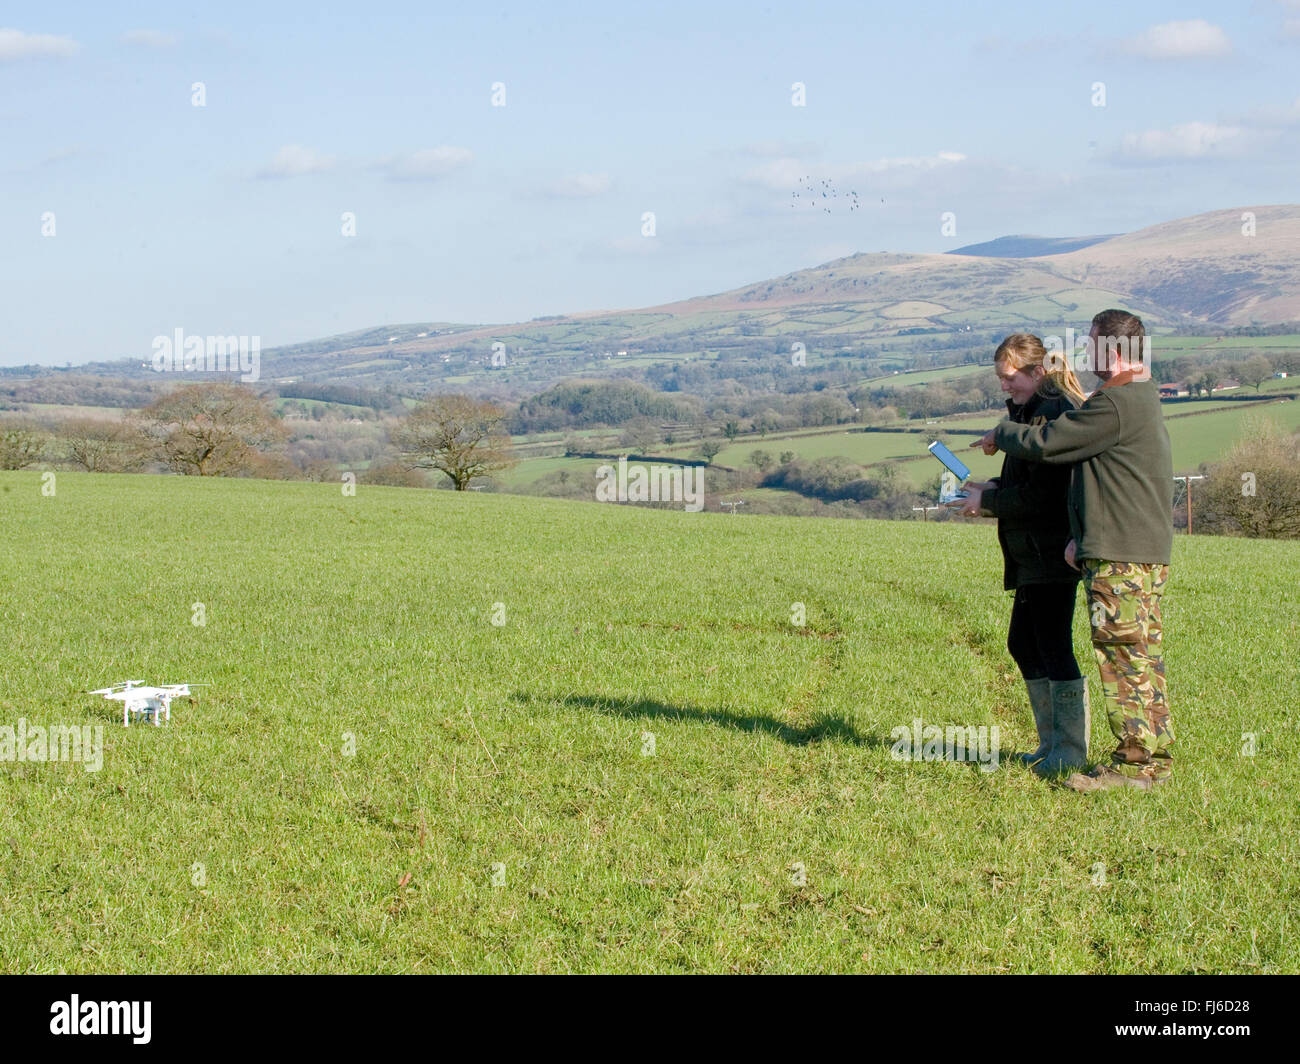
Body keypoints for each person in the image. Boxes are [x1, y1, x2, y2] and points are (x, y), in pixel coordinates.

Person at [980, 310, 1174, 792]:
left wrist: (1000, 434)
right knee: (1140, 657)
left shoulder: (1115, 404)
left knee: (1123, 658)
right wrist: (1079, 535)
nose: (1086, 354)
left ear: (1115, 349)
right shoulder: (1133, 400)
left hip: (1122, 552)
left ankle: (1133, 768)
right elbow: (1098, 479)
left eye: (1092, 345)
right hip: (1128, 546)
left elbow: (1051, 444)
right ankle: (1150, 761)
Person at [951, 334, 1088, 775]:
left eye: (1010, 378)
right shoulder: (1031, 412)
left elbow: (1046, 498)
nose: (1005, 387)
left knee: (1051, 645)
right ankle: (1051, 745)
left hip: (1051, 551)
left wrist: (988, 505)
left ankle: (1069, 750)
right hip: (1032, 551)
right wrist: (992, 488)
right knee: (1024, 643)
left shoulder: (1051, 415)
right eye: (1001, 379)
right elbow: (1029, 485)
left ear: (1036, 371)